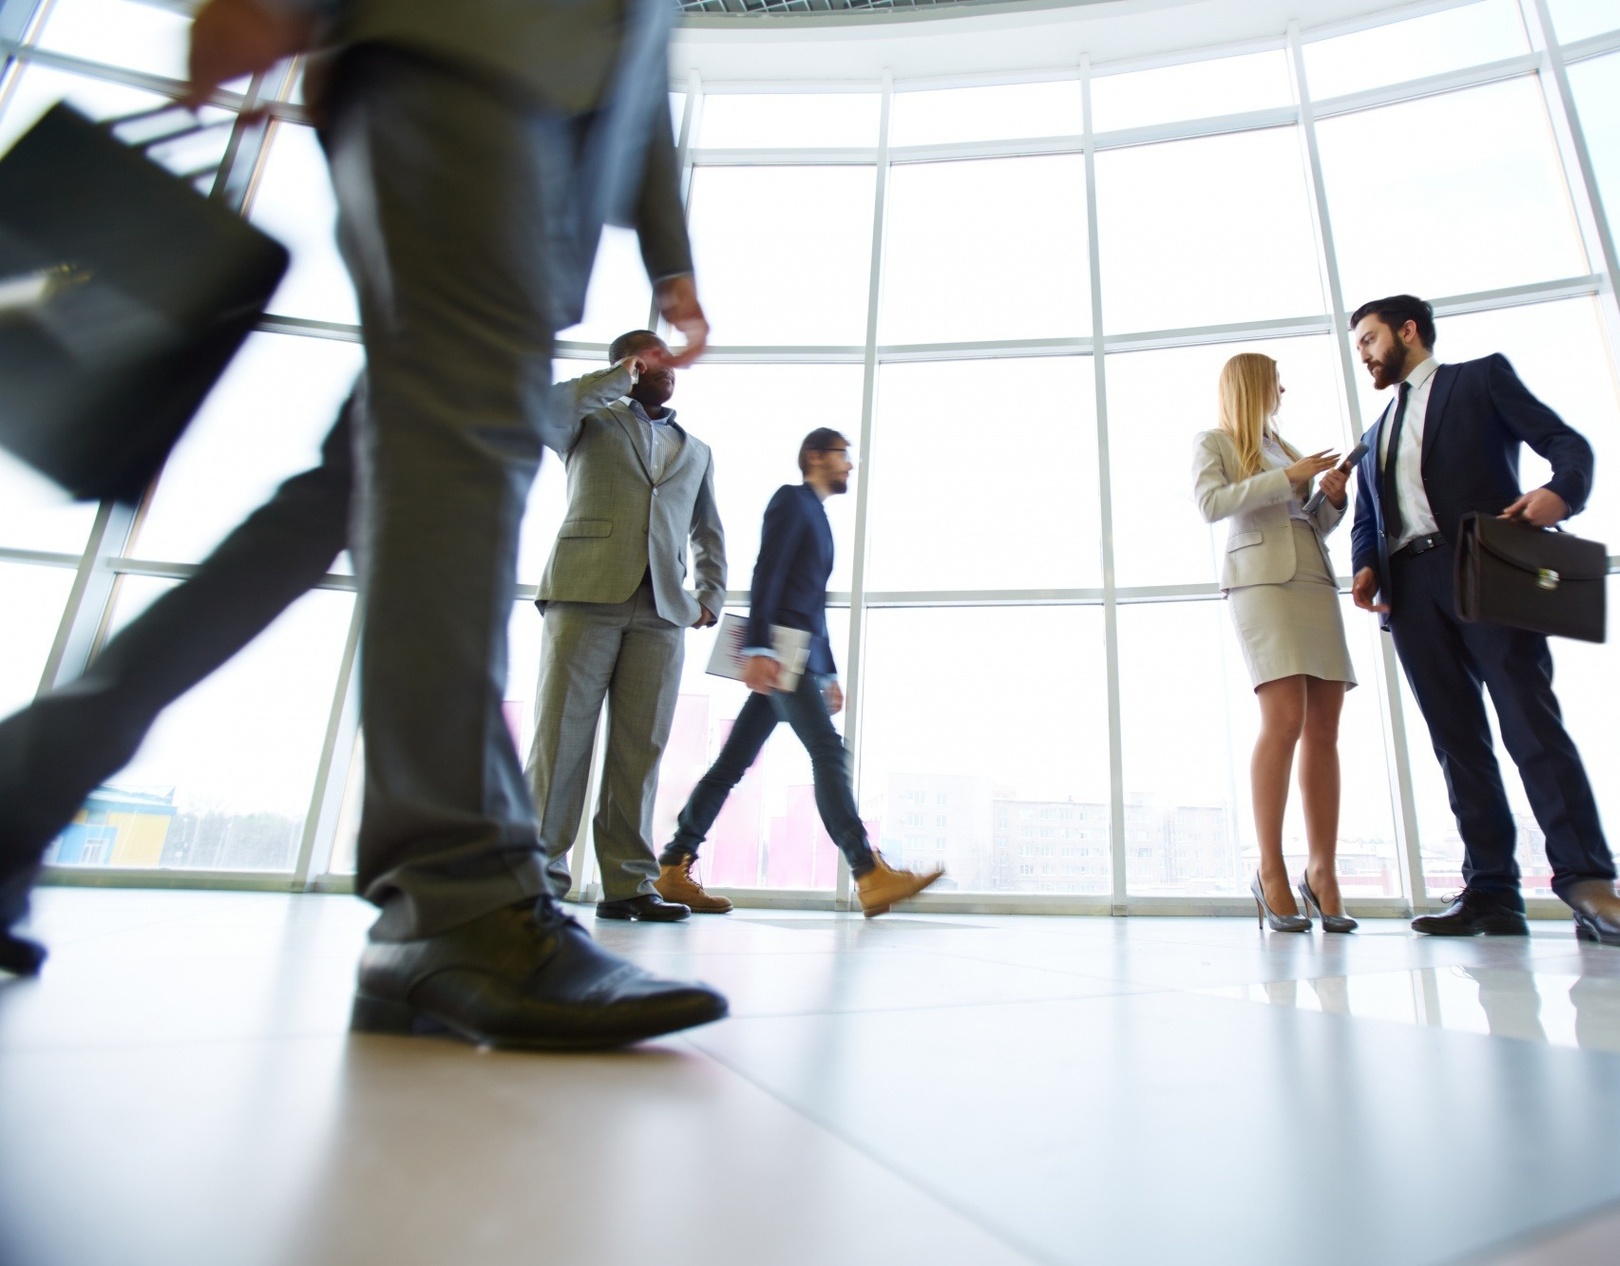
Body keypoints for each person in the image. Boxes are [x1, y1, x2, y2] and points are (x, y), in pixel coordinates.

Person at [8, 0, 732, 1045]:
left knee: (343, 498)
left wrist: (667, 251)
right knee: (466, 445)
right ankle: (455, 893)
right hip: (456, 66)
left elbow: (638, 32)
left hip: (538, 153)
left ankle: (21, 795)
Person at [1345, 295, 1620, 949]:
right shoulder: (1373, 434)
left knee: (1530, 726)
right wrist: (1366, 564)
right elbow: (1370, 517)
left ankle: (1588, 887)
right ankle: (1491, 892)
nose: (1365, 355)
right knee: (1457, 745)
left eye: (1371, 339)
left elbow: (1566, 444)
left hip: (1486, 569)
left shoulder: (1481, 378)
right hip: (1411, 594)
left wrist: (1560, 491)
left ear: (1408, 332)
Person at [654, 429, 943, 918]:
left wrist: (828, 673)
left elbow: (814, 603)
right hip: (783, 656)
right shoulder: (791, 501)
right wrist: (762, 647)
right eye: (842, 456)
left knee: (731, 765)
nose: (849, 465)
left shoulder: (820, 518)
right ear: (815, 456)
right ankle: (868, 871)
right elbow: (768, 572)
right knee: (827, 752)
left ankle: (673, 864)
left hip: (798, 656)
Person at [526, 331, 724, 924]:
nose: (667, 366)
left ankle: (627, 887)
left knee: (642, 750)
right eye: (651, 356)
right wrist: (619, 376)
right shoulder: (591, 422)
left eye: (670, 358)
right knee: (562, 740)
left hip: (663, 611)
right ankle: (537, 881)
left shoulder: (697, 449)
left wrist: (709, 595)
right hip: (585, 593)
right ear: (629, 363)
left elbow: (708, 530)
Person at [1191, 353, 1358, 934]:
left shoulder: (1288, 448)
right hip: (1260, 581)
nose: (1282, 389)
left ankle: (1324, 872)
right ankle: (1270, 870)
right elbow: (1213, 504)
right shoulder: (1215, 442)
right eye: (1274, 381)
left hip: (1312, 575)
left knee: (1325, 727)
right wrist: (1289, 477)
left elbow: (1308, 520)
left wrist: (1330, 496)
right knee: (1284, 719)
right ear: (1252, 385)